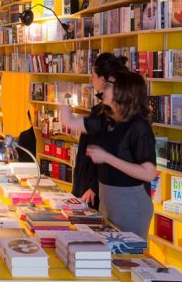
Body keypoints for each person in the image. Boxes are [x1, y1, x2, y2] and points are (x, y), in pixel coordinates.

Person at [62, 69, 156, 239]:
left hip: (131, 205)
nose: (102, 89)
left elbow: (148, 173)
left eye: (107, 86)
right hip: (108, 201)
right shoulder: (107, 120)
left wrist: (107, 158)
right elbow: (71, 122)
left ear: (123, 90)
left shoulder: (139, 127)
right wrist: (63, 103)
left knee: (128, 259)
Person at [59, 53, 128, 207]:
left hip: (93, 188)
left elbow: (109, 153)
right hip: (87, 180)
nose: (91, 80)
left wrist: (93, 186)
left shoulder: (108, 115)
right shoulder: (99, 111)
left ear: (103, 80)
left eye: (93, 76)